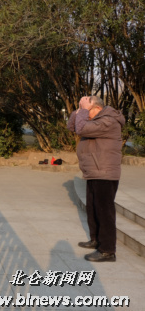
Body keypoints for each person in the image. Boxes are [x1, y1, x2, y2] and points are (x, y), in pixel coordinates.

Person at [67, 95, 125, 262]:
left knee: (104, 211)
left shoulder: (108, 121)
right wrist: (79, 110)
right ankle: (96, 240)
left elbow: (81, 129)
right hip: (94, 171)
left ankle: (107, 250)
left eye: (88, 110)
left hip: (105, 172)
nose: (85, 115)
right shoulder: (97, 120)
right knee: (93, 208)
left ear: (97, 109)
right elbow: (73, 127)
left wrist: (83, 111)